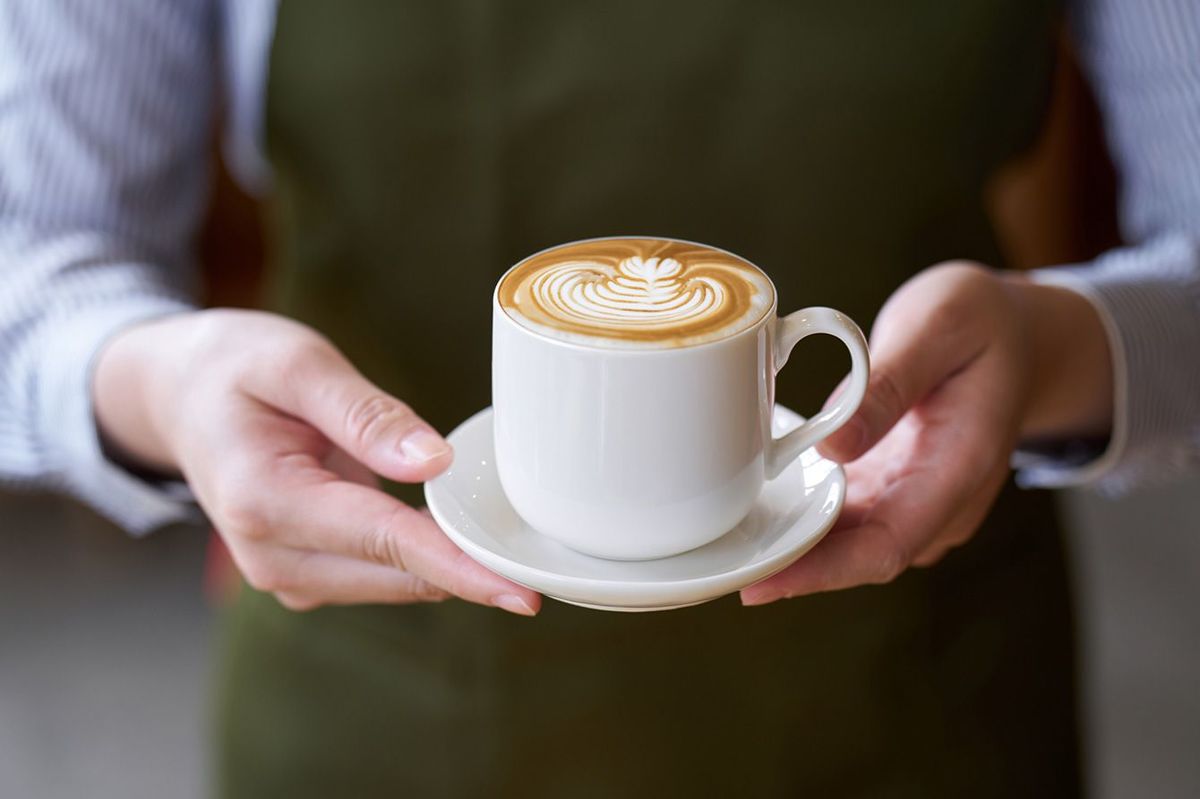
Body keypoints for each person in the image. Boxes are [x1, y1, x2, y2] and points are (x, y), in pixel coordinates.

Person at [2, 0, 1197, 795]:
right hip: (386, 703)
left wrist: (1051, 351)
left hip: (923, 691)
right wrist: (163, 386)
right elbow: (28, 260)